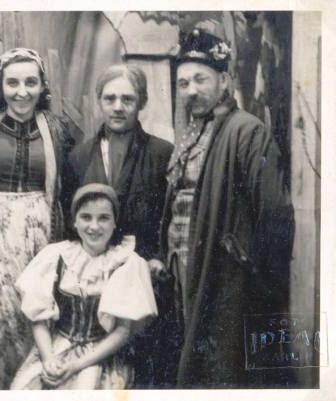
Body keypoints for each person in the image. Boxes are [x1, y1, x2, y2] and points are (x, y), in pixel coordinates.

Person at [158, 29, 295, 387]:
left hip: (224, 274)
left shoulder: (247, 131)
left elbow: (275, 212)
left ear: (224, 79)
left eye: (200, 79)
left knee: (224, 370)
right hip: (183, 267)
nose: (191, 90)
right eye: (183, 83)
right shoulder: (191, 133)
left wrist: (257, 274)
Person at [0, 48, 82, 389]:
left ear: (42, 86)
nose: (22, 92)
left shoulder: (58, 128)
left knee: (36, 311)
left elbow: (70, 186)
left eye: (31, 82)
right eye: (12, 83)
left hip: (41, 235)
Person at [64, 64, 178, 386]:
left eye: (127, 99)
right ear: (99, 100)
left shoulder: (162, 153)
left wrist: (157, 257)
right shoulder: (78, 157)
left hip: (144, 277)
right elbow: (70, 224)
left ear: (141, 102)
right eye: (110, 98)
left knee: (143, 369)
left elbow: (169, 217)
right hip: (94, 280)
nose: (118, 107)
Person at [10, 184, 158, 390]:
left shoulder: (126, 262)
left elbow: (123, 331)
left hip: (102, 354)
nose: (94, 227)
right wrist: (48, 359)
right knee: (24, 388)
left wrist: (76, 365)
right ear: (74, 221)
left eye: (103, 218)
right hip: (56, 348)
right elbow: (38, 318)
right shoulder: (56, 256)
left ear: (115, 222)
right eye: (86, 217)